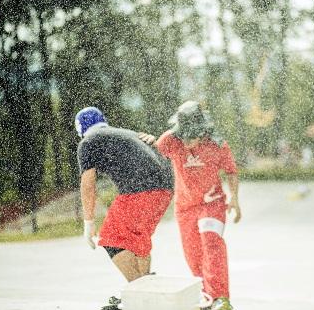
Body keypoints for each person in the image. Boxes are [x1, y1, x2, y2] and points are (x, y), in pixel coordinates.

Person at [139, 101, 241, 310]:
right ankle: (206, 296)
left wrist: (235, 199)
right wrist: (148, 142)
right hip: (185, 207)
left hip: (212, 203)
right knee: (193, 255)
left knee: (211, 243)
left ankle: (220, 298)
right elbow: (152, 154)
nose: (188, 144)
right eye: (184, 137)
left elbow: (231, 171)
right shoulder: (170, 140)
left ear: (203, 132)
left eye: (192, 137)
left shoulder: (217, 144)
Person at [75, 107, 174, 310]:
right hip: (165, 188)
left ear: (81, 129)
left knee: (111, 239)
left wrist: (88, 222)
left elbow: (88, 184)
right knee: (138, 239)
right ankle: (146, 290)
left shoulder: (88, 141)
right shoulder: (125, 132)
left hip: (140, 190)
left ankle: (140, 297)